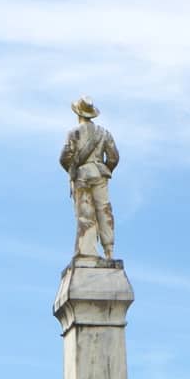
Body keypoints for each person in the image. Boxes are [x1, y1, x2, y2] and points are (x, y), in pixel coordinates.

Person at [59, 96, 119, 264]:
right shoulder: (104, 133)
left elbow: (64, 158)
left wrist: (73, 170)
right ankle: (109, 252)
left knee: (86, 213)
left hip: (82, 175)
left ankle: (87, 253)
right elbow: (114, 157)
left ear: (78, 113)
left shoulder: (74, 133)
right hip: (100, 173)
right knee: (104, 211)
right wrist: (104, 169)